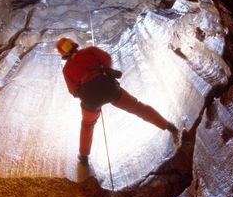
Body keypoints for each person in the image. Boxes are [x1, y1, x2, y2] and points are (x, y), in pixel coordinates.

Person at [56, 37, 179, 166]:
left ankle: (84, 156)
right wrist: (103, 72)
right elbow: (107, 59)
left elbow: (73, 91)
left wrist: (88, 94)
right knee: (138, 108)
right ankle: (167, 125)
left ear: (63, 54)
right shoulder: (90, 51)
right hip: (109, 87)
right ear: (73, 44)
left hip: (89, 98)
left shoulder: (66, 69)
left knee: (87, 125)